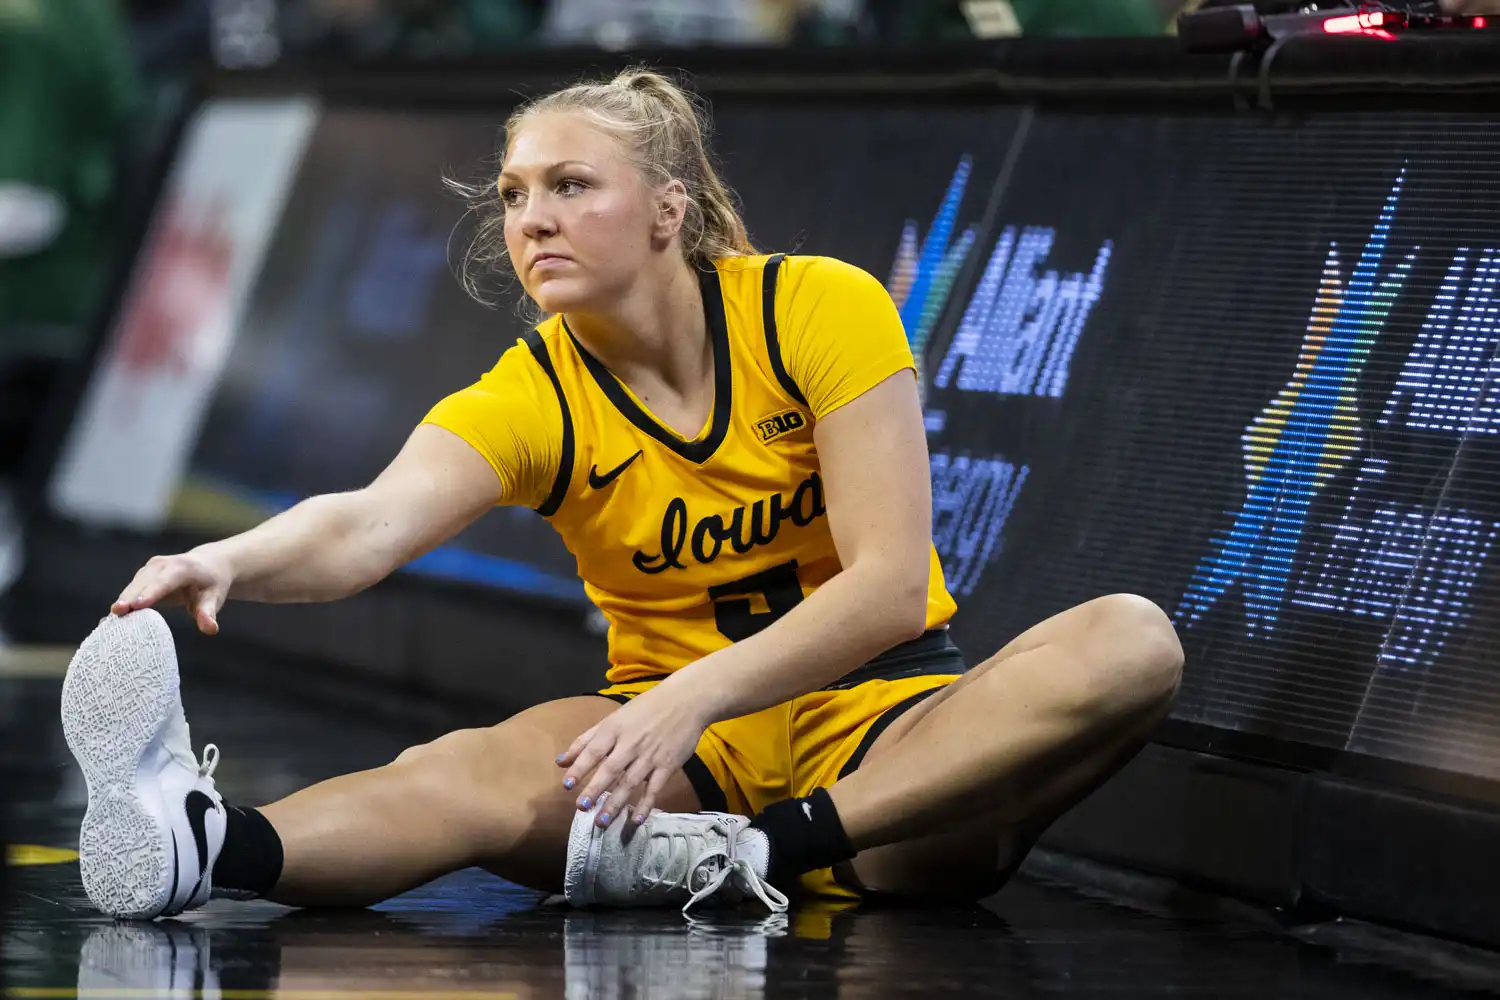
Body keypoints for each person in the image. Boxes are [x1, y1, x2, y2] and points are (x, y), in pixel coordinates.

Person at [59, 68, 1183, 921]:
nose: (530, 218)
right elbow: (366, 522)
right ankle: (203, 845)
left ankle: (771, 851)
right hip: (672, 761)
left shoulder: (818, 309)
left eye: (568, 185)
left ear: (667, 210)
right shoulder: (536, 388)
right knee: (465, 769)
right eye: (512, 194)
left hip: (881, 734)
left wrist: (696, 697)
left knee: (1131, 643)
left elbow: (891, 586)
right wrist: (228, 563)